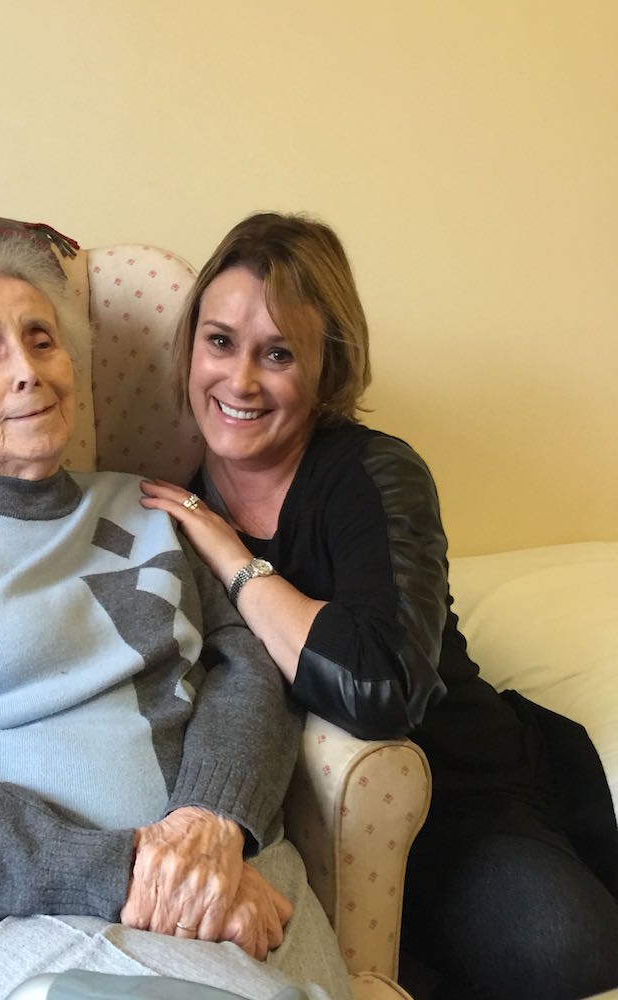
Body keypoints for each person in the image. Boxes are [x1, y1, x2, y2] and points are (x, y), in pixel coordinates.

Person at [0, 230, 355, 1000]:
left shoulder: (155, 509)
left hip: (222, 877)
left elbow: (252, 673)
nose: (28, 371)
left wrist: (212, 822)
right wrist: (128, 871)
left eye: (41, 340)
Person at [140, 212, 618, 1000]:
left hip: (461, 799)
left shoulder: (377, 476)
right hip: (297, 829)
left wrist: (232, 557)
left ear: (329, 370)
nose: (241, 381)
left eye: (280, 353)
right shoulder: (163, 512)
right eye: (220, 342)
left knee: (565, 953)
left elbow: (377, 689)